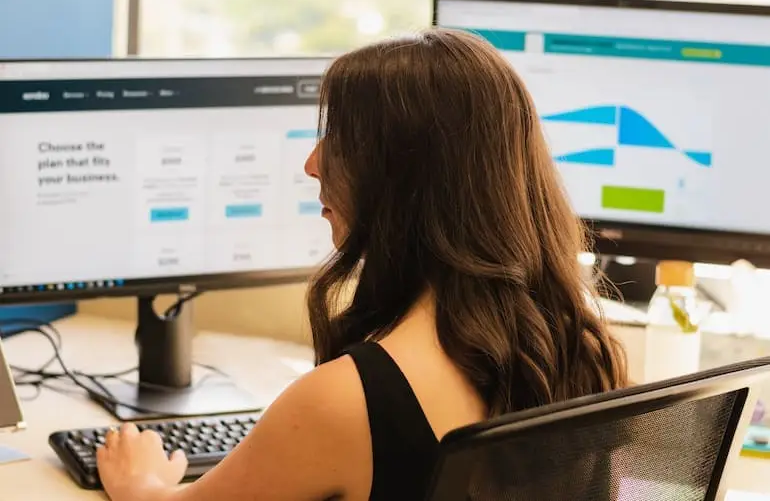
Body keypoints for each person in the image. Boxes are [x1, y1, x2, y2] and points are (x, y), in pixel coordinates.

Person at [95, 28, 628, 501]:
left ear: (402, 178)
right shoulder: (583, 353)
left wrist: (138, 480)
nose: (312, 163)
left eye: (343, 140)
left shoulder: (346, 401)